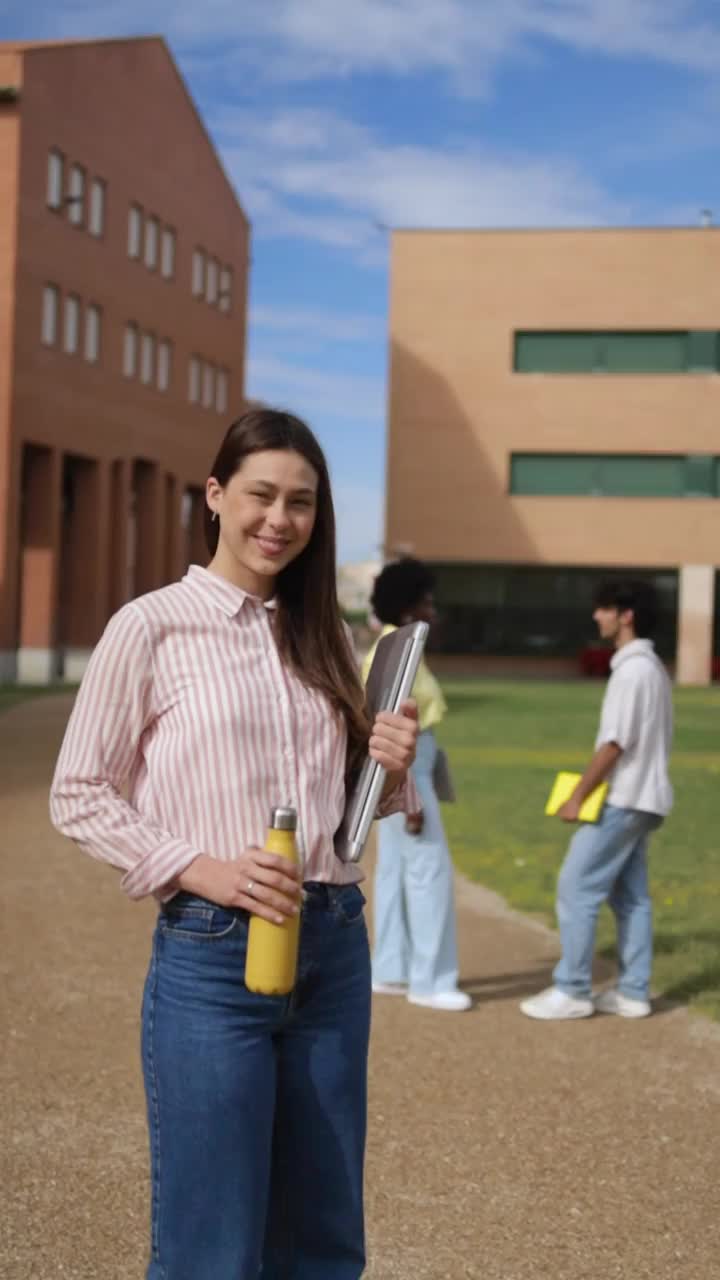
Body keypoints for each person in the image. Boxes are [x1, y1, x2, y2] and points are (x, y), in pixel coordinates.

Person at [50, 408, 419, 1280]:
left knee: (326, 1241)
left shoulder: (323, 633)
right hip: (214, 956)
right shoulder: (151, 626)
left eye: (301, 503)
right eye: (261, 495)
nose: (279, 520)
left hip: (332, 943)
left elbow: (343, 819)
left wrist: (390, 768)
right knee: (213, 1246)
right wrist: (203, 869)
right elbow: (78, 792)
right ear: (216, 496)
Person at [520, 579, 673, 1022]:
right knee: (631, 898)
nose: (596, 616)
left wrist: (577, 796)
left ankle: (573, 989)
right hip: (648, 799)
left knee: (576, 886)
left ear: (626, 615)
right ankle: (633, 992)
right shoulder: (655, 668)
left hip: (624, 799)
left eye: (604, 609)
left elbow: (614, 744)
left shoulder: (632, 671)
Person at [362, 558, 471, 1012]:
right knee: (428, 872)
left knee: (394, 873)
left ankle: (391, 969)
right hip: (408, 768)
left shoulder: (394, 646)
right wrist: (409, 797)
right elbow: (390, 728)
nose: (432, 608)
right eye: (425, 600)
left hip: (408, 765)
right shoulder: (400, 651)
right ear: (408, 607)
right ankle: (431, 981)